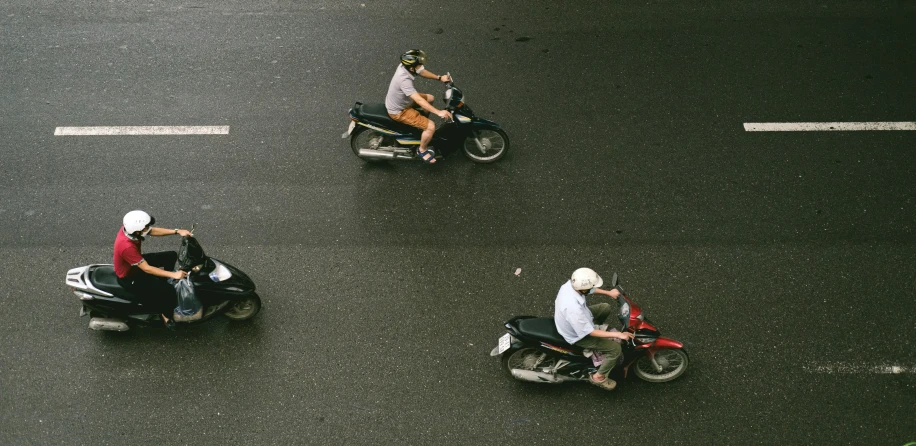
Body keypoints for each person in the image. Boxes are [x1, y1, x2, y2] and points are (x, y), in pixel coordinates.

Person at [555, 267, 635, 391]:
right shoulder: (573, 309)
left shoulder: (570, 285)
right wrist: (619, 335)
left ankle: (601, 336)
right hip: (578, 335)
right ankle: (598, 377)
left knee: (604, 307)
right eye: (590, 286)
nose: (592, 288)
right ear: (583, 288)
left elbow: (588, 290)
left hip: (579, 319)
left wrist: (608, 293)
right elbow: (589, 332)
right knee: (615, 349)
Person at [114, 210, 193, 329]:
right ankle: (166, 315)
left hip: (135, 262)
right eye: (146, 227)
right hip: (130, 274)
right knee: (168, 291)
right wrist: (173, 275)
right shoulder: (126, 247)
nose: (148, 229)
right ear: (137, 231)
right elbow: (147, 269)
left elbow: (153, 231)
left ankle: (164, 279)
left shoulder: (130, 230)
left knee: (170, 256)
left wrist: (177, 231)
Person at [385, 49, 453, 164]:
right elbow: (418, 100)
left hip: (403, 100)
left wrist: (439, 78)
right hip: (399, 111)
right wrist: (438, 112)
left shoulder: (405, 66)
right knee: (431, 126)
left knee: (430, 98)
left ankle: (420, 125)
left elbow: (422, 72)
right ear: (412, 68)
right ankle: (422, 150)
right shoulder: (404, 80)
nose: (421, 66)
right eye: (419, 65)